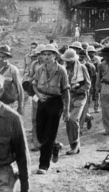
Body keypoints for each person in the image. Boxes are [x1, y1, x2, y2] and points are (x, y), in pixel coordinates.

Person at [32, 44, 70, 174]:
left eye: (49, 54)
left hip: (55, 102)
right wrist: (38, 94)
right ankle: (55, 146)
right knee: (40, 133)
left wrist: (66, 110)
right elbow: (34, 84)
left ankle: (43, 165)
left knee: (49, 133)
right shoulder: (40, 69)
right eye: (44, 54)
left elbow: (66, 91)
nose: (46, 57)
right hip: (42, 101)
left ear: (55, 56)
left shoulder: (61, 70)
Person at [0, 75, 30, 192]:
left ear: (1, 91)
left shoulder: (12, 118)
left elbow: (21, 152)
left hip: (3, 172)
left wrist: (24, 183)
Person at [61, 49, 91, 155]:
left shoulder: (82, 68)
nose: (67, 62)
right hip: (68, 98)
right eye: (66, 60)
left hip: (80, 97)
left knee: (73, 120)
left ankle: (75, 145)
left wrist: (77, 90)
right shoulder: (65, 69)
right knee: (69, 121)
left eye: (69, 60)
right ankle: (73, 145)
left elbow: (87, 84)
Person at [27, 44, 46, 152]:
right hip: (35, 93)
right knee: (35, 119)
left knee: (47, 119)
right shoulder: (34, 64)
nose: (40, 56)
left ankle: (46, 142)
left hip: (47, 94)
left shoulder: (50, 65)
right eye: (38, 54)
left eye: (42, 54)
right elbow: (30, 76)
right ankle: (36, 143)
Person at [0, 45, 24, 115]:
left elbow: (20, 88)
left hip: (9, 104)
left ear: (8, 57)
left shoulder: (13, 69)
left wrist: (20, 106)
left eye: (3, 57)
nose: (1, 59)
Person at [78, 50, 95, 133]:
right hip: (74, 90)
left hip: (84, 89)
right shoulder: (72, 64)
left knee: (83, 109)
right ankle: (88, 118)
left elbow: (91, 79)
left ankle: (80, 127)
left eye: (82, 56)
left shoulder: (88, 65)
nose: (80, 57)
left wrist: (91, 89)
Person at [87, 46, 102, 113]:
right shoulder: (86, 59)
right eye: (89, 52)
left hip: (95, 77)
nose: (90, 54)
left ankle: (96, 107)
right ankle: (87, 109)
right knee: (88, 93)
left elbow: (99, 69)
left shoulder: (97, 59)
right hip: (88, 77)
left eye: (91, 52)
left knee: (96, 92)